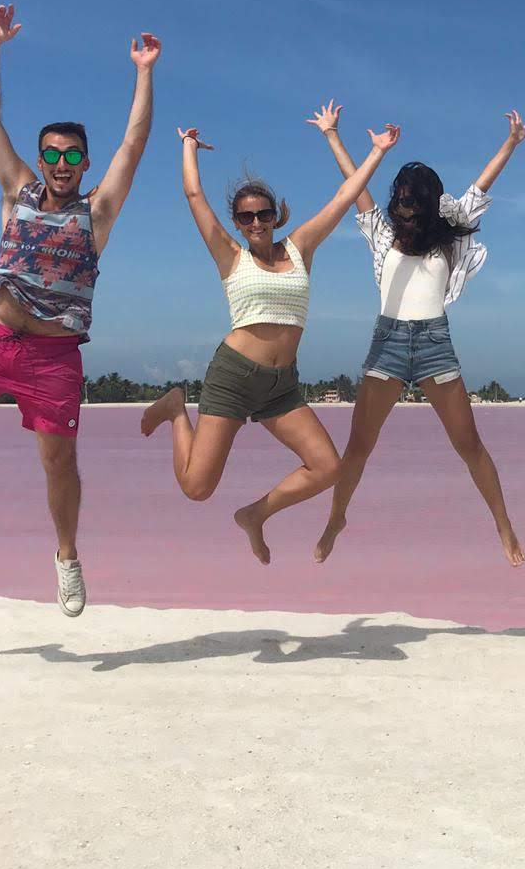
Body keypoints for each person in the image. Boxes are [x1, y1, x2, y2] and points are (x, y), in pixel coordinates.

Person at [0, 4, 161, 617]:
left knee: (59, 463)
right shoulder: (16, 189)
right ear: (42, 158)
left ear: (84, 163)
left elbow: (134, 143)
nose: (61, 164)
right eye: (53, 153)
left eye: (74, 155)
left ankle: (67, 558)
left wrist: (144, 72)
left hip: (54, 355)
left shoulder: (96, 212)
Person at [139, 107, 401, 565]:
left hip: (282, 385)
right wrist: (188, 146)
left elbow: (344, 197)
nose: (256, 222)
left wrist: (376, 152)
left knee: (327, 468)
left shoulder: (300, 247)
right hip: (234, 376)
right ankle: (177, 409)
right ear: (237, 223)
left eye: (262, 214)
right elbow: (193, 193)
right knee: (197, 488)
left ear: (275, 215)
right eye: (246, 217)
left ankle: (256, 515)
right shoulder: (230, 256)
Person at [307, 103, 525, 566]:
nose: (405, 204)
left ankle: (503, 525)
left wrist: (509, 143)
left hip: (434, 345)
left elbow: (480, 189)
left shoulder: (449, 239)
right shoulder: (383, 236)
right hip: (386, 345)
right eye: (401, 196)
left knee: (468, 445)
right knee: (359, 447)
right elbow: (356, 190)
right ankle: (336, 518)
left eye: (414, 198)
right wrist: (334, 136)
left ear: (429, 204)